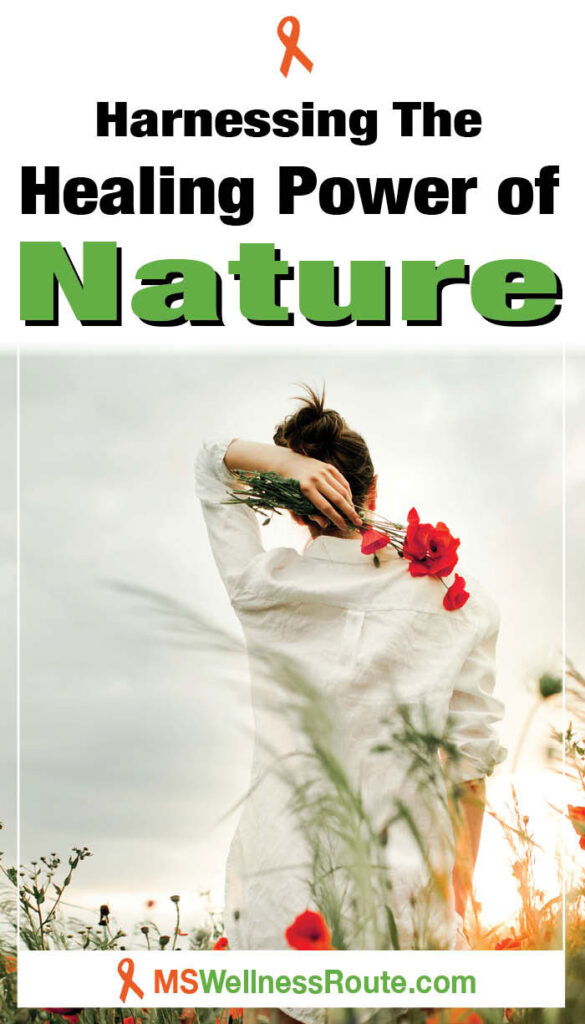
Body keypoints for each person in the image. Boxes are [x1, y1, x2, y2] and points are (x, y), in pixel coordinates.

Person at [194, 387, 506, 1024]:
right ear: (375, 487)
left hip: (282, 898)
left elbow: (210, 461)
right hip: (407, 907)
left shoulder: (267, 590)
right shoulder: (461, 605)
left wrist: (286, 467)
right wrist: (460, 898)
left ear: (292, 508)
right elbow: (470, 771)